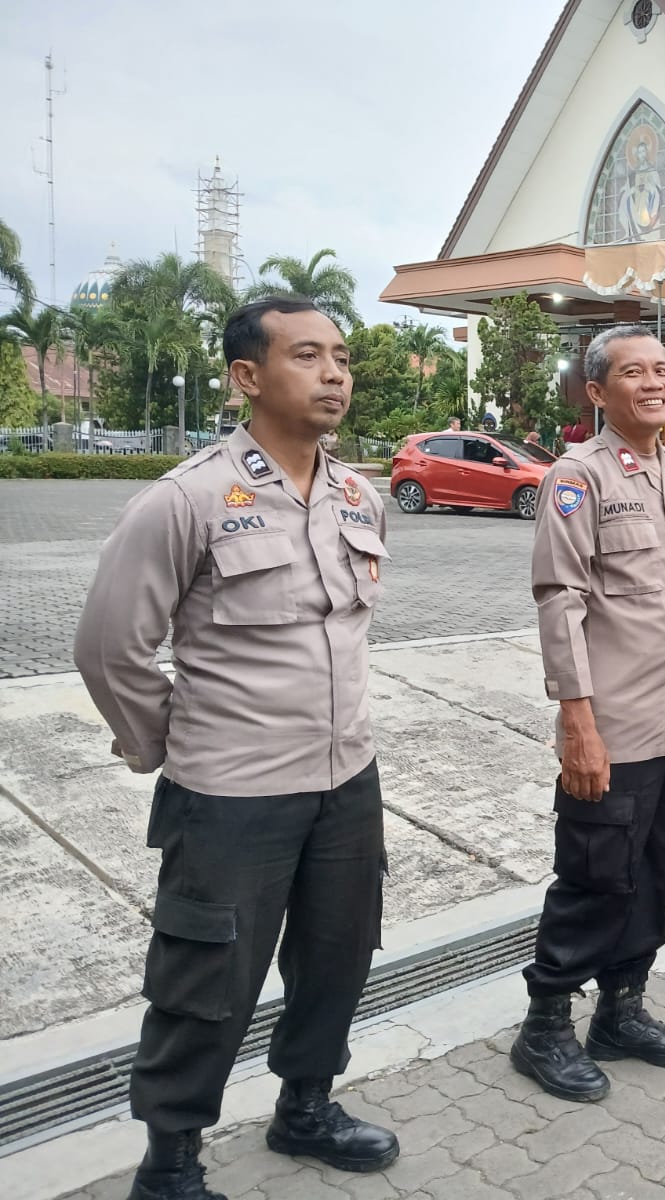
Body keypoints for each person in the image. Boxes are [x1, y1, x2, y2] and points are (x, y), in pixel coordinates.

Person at [74, 297, 399, 1200]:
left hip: (346, 778)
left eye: (341, 356)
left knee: (340, 952)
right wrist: (169, 746)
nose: (334, 373)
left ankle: (305, 1108)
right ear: (247, 377)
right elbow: (110, 647)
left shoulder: (356, 494)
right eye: (308, 355)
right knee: (205, 977)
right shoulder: (187, 499)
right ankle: (170, 1160)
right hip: (231, 796)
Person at [509, 324, 665, 1103]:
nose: (657, 382)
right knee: (594, 880)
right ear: (598, 391)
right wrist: (576, 721)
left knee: (654, 874)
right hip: (612, 726)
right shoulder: (577, 477)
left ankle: (622, 1011)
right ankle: (546, 1026)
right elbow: (560, 599)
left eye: (664, 370)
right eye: (636, 372)